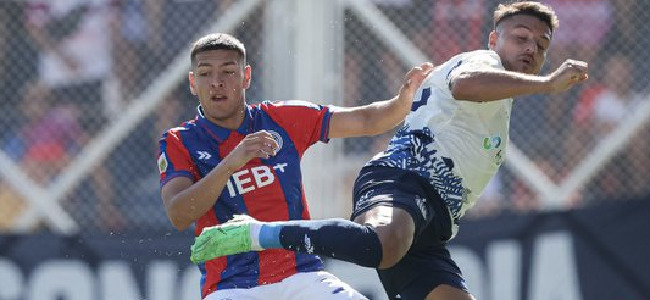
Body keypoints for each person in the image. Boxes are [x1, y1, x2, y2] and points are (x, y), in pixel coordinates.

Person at [191, 2, 590, 300]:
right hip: (401, 180)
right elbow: (465, 84)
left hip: (433, 224)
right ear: (493, 39)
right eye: (520, 37)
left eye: (541, 44)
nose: (530, 48)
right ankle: (255, 232)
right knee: (383, 243)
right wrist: (548, 85)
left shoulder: (504, 100)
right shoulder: (481, 62)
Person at [158, 33, 433, 299]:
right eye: (205, 74)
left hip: (301, 275)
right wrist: (231, 162)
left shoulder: (280, 118)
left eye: (228, 72)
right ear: (193, 83)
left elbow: (366, 121)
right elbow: (180, 214)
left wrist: (402, 101)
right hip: (230, 287)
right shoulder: (179, 141)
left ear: (246, 77)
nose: (216, 82)